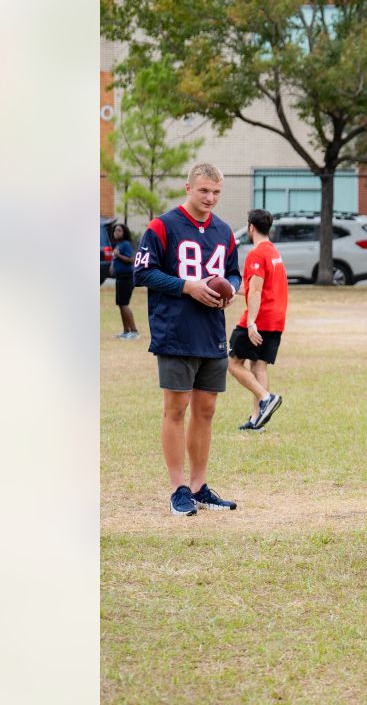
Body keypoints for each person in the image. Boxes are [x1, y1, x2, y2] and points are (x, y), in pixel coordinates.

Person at [133, 162, 241, 516]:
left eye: (216, 192)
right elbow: (143, 272)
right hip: (175, 330)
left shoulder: (224, 231)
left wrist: (233, 290)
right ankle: (177, 487)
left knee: (206, 410)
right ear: (188, 188)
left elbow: (233, 273)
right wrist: (186, 286)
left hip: (211, 331)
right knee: (176, 408)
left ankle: (198, 486)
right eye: (204, 191)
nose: (210, 198)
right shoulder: (162, 226)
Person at [227, 209, 287, 431]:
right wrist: (231, 290)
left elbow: (256, 292)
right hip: (276, 319)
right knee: (258, 365)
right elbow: (255, 287)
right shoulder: (273, 252)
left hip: (259, 319)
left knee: (232, 363)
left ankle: (265, 398)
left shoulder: (256, 254)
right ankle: (257, 420)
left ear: (251, 227)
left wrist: (251, 322)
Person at [109, 222, 140, 339]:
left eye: (119, 230)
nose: (116, 232)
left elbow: (132, 260)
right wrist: (112, 265)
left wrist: (119, 255)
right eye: (115, 230)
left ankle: (134, 331)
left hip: (127, 277)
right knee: (120, 304)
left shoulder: (126, 244)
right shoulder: (118, 245)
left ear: (124, 232)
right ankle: (126, 331)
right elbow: (115, 257)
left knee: (124, 304)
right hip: (120, 276)